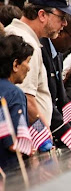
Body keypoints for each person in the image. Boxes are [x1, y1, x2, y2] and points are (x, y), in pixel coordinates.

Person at [5, 0, 71, 130]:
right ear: (42, 15)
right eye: (61, 17)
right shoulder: (26, 42)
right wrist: (44, 133)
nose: (65, 23)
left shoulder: (20, 35)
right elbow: (26, 98)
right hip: (28, 134)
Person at [0, 35, 34, 169]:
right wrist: (28, 148)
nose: (29, 68)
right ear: (15, 64)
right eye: (28, 61)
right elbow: (14, 143)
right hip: (9, 171)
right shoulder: (15, 94)